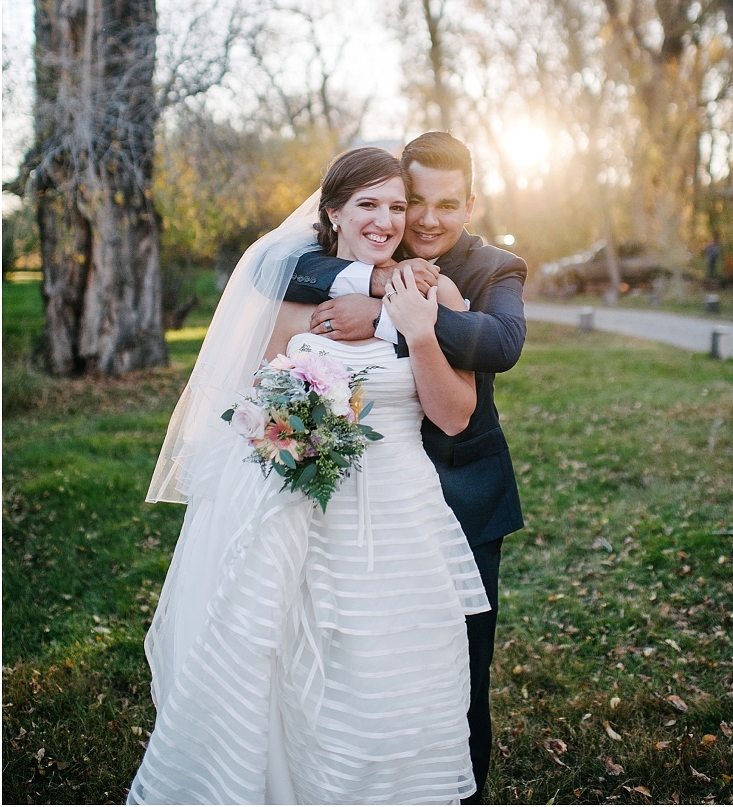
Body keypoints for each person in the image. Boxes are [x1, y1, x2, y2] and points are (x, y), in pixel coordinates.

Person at [127, 147, 491, 806]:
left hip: (404, 510)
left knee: (403, 672)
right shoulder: (295, 299)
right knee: (302, 676)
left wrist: (420, 332)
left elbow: (456, 415)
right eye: (367, 206)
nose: (384, 221)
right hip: (307, 515)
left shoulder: (435, 291)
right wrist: (294, 433)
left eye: (396, 206)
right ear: (334, 213)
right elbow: (251, 412)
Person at [284, 131, 527, 802]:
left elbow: (500, 343)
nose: (421, 219)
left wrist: (393, 312)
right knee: (349, 666)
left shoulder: (490, 270)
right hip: (356, 502)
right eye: (411, 199)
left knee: (458, 676)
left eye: (444, 206)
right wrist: (373, 278)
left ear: (469, 207)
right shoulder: (348, 261)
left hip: (464, 495)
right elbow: (282, 272)